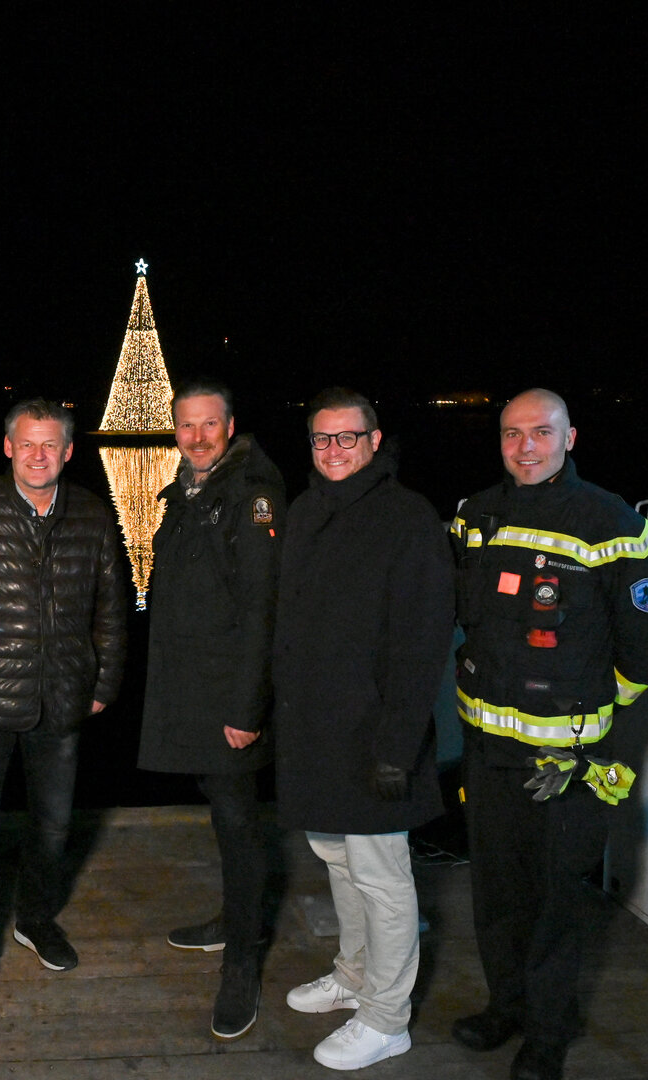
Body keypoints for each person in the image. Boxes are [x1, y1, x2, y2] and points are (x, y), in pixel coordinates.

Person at [450, 388, 648, 1080]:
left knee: (556, 894)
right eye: (511, 434)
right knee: (496, 889)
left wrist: (599, 706)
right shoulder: (473, 515)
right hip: (487, 747)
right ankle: (508, 1006)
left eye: (541, 433)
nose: (525, 447)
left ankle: (548, 1033)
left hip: (567, 755)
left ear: (570, 437)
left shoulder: (611, 524)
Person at [0, 398, 128, 1033]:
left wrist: (104, 682)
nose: (39, 455)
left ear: (68, 451)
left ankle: (35, 919)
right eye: (27, 443)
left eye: (51, 445)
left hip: (62, 704)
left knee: (54, 827)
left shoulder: (91, 515)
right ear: (8, 447)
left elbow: (112, 611)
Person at [272, 387, 454, 1071]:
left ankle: (387, 1016)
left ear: (374, 442)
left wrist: (396, 748)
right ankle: (352, 976)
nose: (334, 450)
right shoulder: (305, 510)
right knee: (336, 859)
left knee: (381, 875)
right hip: (314, 733)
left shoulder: (407, 520)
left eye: (347, 437)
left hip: (375, 737)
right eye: (322, 439)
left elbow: (422, 643)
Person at [137, 379, 284, 1040]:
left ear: (229, 427)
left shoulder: (251, 496)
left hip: (227, 693)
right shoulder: (188, 492)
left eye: (207, 425)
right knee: (221, 811)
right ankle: (233, 918)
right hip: (192, 685)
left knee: (237, 820)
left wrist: (246, 706)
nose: (195, 437)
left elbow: (261, 611)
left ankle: (242, 963)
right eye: (185, 426)